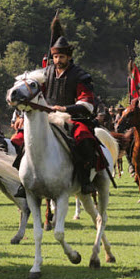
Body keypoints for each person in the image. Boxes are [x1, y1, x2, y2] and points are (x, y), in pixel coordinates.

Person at [45, 35, 101, 194]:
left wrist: (65, 109)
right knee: (20, 139)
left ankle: (85, 180)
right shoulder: (46, 73)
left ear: (69, 57)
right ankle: (23, 180)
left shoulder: (79, 75)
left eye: (61, 56)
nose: (58, 60)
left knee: (84, 138)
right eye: (55, 57)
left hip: (72, 118)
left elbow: (87, 103)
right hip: (46, 117)